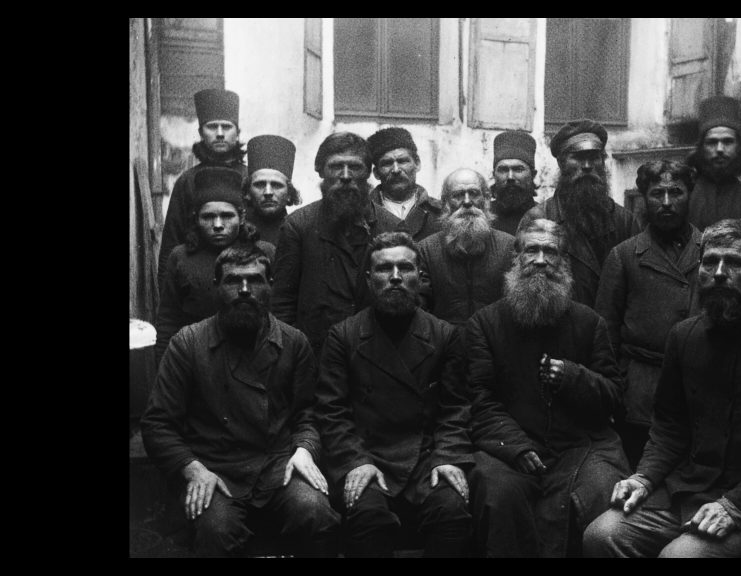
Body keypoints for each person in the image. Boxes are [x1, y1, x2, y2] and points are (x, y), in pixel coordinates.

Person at [582, 219, 741, 558]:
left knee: (680, 557)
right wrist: (644, 478)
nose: (719, 273)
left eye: (734, 262)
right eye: (710, 262)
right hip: (687, 491)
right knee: (602, 535)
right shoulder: (683, 337)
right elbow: (669, 427)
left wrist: (735, 506)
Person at [142, 245, 340, 557]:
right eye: (233, 281)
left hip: (277, 465)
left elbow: (308, 413)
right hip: (214, 467)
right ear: (216, 287)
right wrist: (192, 469)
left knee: (313, 510)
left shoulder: (293, 342)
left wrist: (304, 449)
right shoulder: (188, 343)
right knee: (215, 528)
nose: (245, 290)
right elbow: (158, 424)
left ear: (270, 286)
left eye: (255, 280)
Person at [467, 218, 630, 557]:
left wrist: (573, 377)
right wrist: (515, 447)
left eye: (550, 252)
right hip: (511, 445)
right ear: (516, 258)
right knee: (499, 493)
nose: (541, 260)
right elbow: (480, 400)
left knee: (602, 490)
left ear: (563, 261)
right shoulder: (484, 324)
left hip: (581, 445)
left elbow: (613, 396)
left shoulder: (589, 322)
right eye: (532, 250)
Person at [316, 232, 474, 557]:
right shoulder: (343, 337)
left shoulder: (444, 336)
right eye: (384, 268)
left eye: (405, 267)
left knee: (452, 511)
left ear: (420, 277)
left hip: (425, 459)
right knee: (368, 517)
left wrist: (447, 456)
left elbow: (455, 409)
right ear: (369, 279)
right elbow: (332, 412)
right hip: (367, 456)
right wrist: (355, 462)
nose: (396, 277)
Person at [594, 159, 701, 469]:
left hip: (697, 386)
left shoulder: (711, 251)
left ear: (689, 195)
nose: (666, 202)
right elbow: (605, 333)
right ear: (643, 197)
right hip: (640, 392)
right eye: (656, 193)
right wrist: (616, 390)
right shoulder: (624, 255)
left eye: (676, 192)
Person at [271, 131, 386, 356]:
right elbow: (283, 302)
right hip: (315, 353)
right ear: (321, 171)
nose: (346, 176)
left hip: (375, 352)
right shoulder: (298, 226)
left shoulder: (390, 226)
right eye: (336, 167)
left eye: (355, 167)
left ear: (368, 173)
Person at [155, 166, 274, 363]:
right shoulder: (181, 257)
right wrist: (164, 365)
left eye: (227, 216)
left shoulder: (264, 253)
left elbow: (277, 312)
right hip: (197, 358)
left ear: (242, 217)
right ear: (196, 219)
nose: (218, 225)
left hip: (255, 356)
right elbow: (168, 318)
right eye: (208, 217)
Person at [521, 119, 642, 308]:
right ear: (561, 163)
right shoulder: (537, 218)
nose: (586, 165)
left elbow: (637, 287)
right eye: (577, 157)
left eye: (594, 157)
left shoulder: (625, 221)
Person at [159, 89, 247, 284]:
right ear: (201, 132)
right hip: (197, 280)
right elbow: (171, 242)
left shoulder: (251, 179)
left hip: (245, 276)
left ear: (237, 132)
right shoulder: (187, 181)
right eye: (212, 127)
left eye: (227, 127)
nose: (220, 134)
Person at [417, 168, 516, 327]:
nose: (467, 201)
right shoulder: (426, 250)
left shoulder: (509, 246)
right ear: (445, 202)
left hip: (495, 338)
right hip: (444, 338)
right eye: (458, 195)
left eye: (474, 193)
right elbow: (420, 308)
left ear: (486, 199)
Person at [685, 96, 741, 231]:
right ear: (701, 147)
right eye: (711, 142)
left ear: (739, 146)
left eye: (728, 141)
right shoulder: (686, 192)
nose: (719, 149)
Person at [367, 127, 443, 241]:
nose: (396, 170)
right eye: (387, 163)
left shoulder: (440, 213)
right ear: (376, 173)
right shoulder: (364, 214)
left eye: (402, 161)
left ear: (417, 164)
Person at [242, 134, 301, 247]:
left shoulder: (300, 233)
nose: (268, 192)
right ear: (247, 193)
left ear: (289, 194)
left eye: (276, 185)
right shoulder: (234, 233)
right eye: (260, 185)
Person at [489, 130, 539, 236]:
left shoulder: (545, 215)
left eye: (518, 169)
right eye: (503, 170)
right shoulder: (483, 217)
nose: (510, 177)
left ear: (533, 174)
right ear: (494, 175)